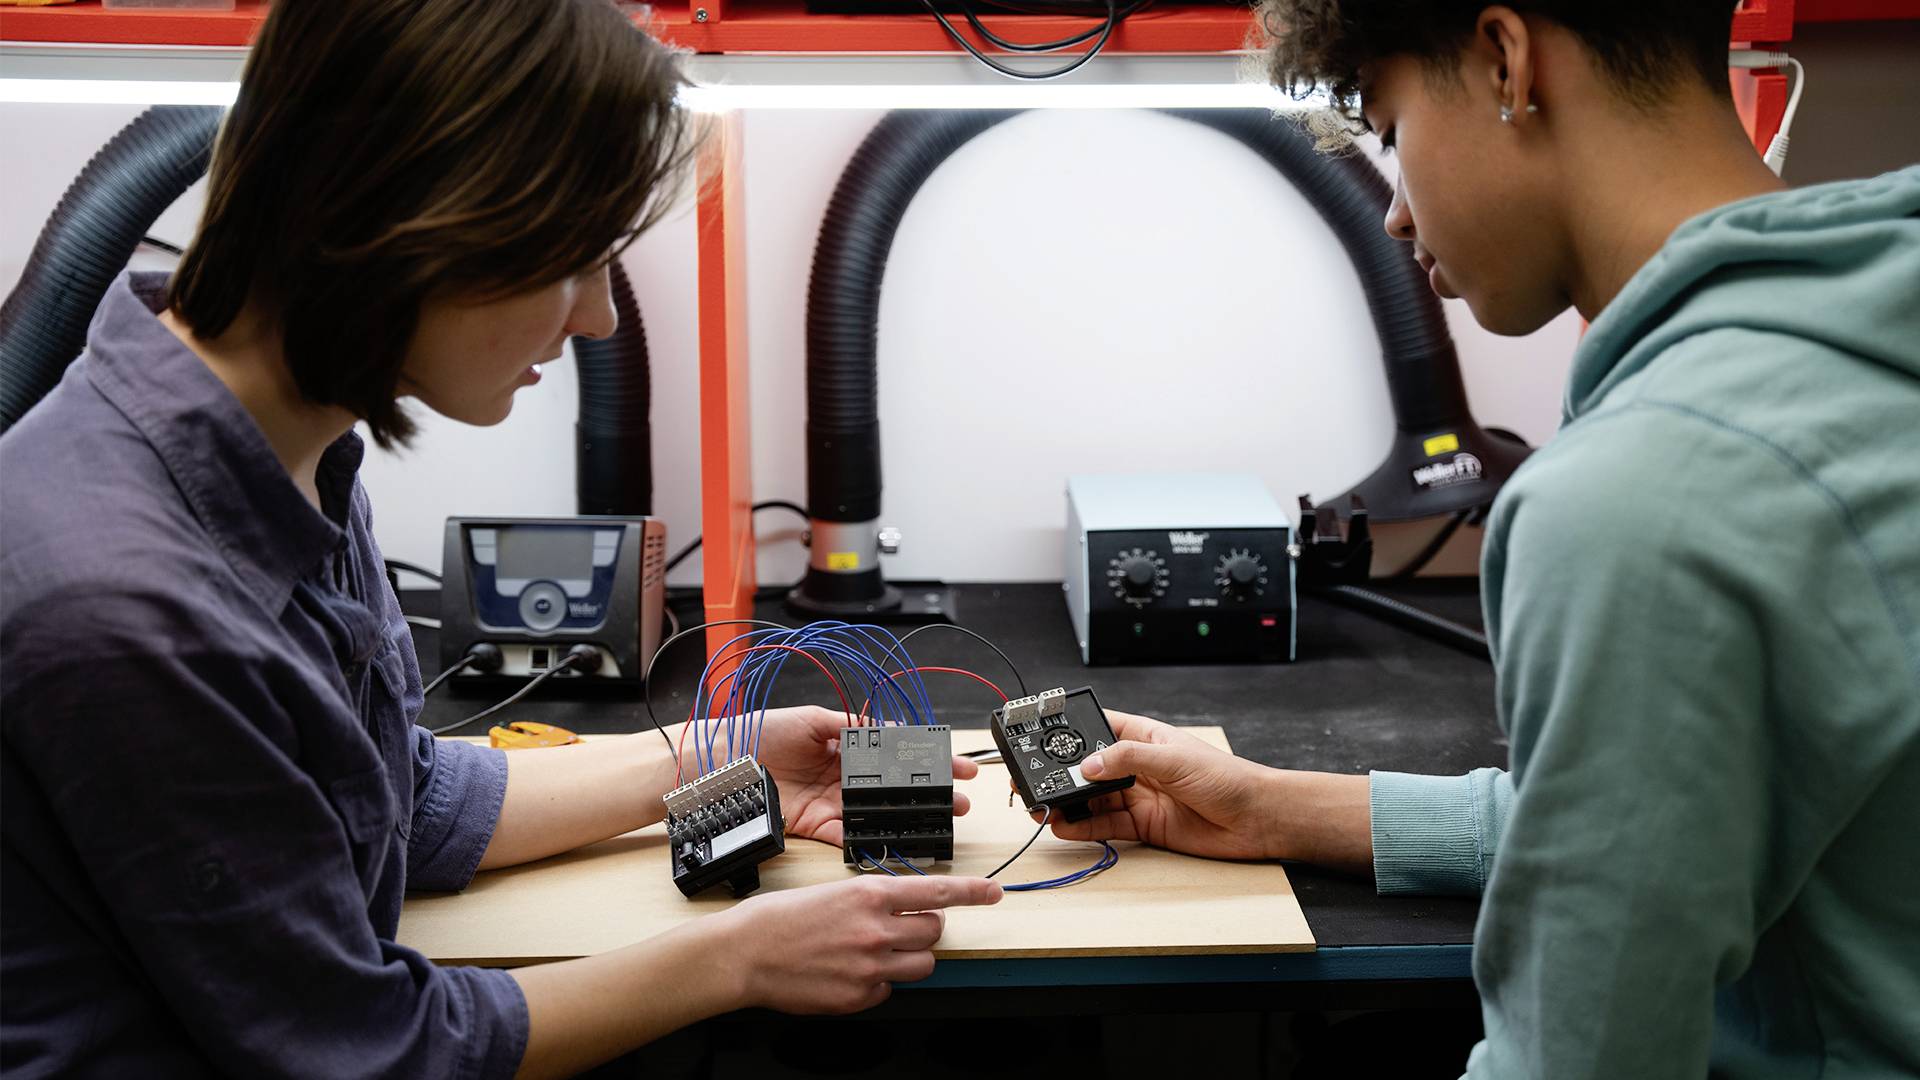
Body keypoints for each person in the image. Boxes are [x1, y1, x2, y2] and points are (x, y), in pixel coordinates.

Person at [0, 2, 999, 1077]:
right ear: (406, 221)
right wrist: (734, 963)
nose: (598, 321)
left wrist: (721, 750)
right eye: (573, 262)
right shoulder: (130, 609)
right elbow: (366, 1051)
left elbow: (403, 800)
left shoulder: (282, 449)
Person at [1063, 2, 1919, 1076]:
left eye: (1388, 130)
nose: (1395, 219)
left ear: (1507, 62)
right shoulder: (1878, 338)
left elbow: (1578, 1059)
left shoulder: (1637, 500)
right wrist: (1281, 810)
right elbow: (1687, 824)